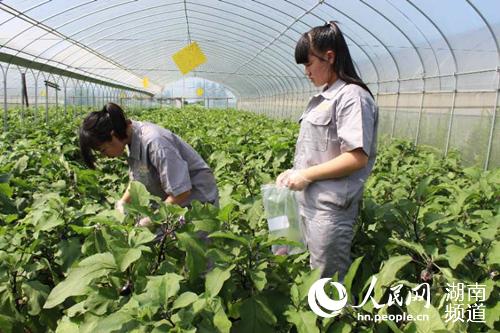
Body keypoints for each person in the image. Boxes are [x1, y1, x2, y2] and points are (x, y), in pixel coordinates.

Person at [276, 21, 378, 280]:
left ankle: (336, 320)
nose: (306, 72)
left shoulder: (352, 97)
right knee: (307, 274)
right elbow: (320, 152)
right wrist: (294, 172)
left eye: (309, 64)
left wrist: (307, 175)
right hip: (307, 203)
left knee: (327, 283)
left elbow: (356, 157)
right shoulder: (322, 98)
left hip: (329, 211)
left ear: (329, 57)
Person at [79, 102, 219, 220]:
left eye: (103, 150)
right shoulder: (129, 138)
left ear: (113, 135)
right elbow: (138, 178)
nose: (106, 156)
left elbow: (181, 192)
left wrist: (153, 220)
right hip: (173, 201)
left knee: (192, 247)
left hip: (197, 203)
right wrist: (122, 202)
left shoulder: (155, 143)